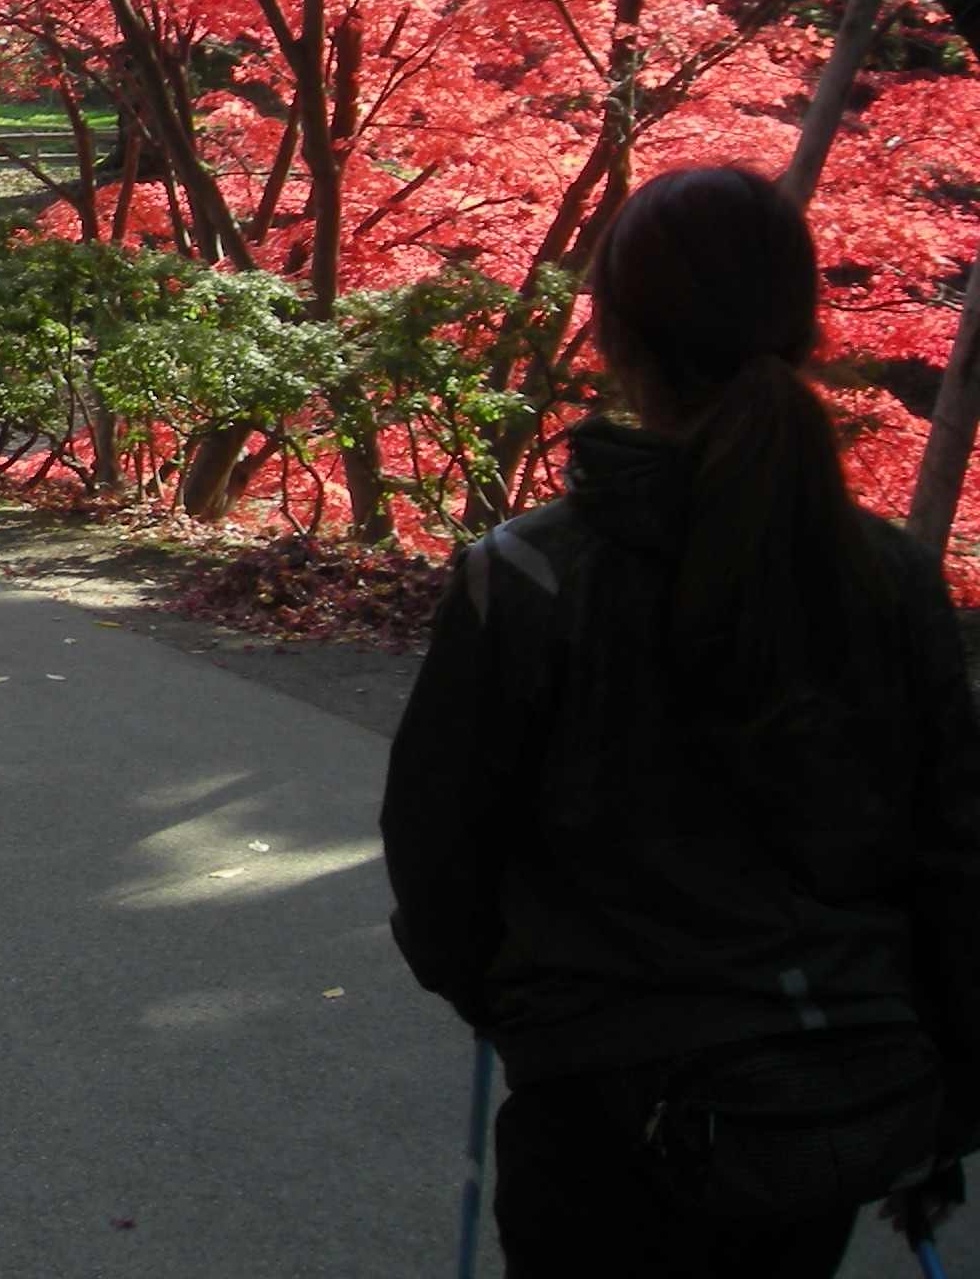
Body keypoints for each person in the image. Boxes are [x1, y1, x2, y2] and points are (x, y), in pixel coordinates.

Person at [383, 166, 980, 1279]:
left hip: (603, 1097)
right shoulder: (891, 579)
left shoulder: (530, 578)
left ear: (610, 333)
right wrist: (950, 1104)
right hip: (837, 1098)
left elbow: (439, 854)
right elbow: (953, 857)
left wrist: (525, 1006)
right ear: (802, 330)